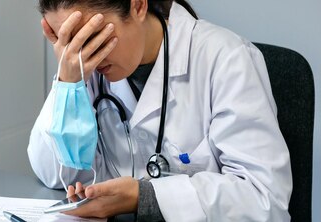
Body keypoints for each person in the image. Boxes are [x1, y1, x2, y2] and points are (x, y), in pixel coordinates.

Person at [27, 0, 293, 221]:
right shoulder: (83, 73)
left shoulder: (226, 60)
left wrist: (144, 197)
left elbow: (264, 200)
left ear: (138, 5)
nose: (84, 55)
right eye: (70, 43)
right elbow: (53, 175)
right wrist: (67, 83)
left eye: (92, 37)